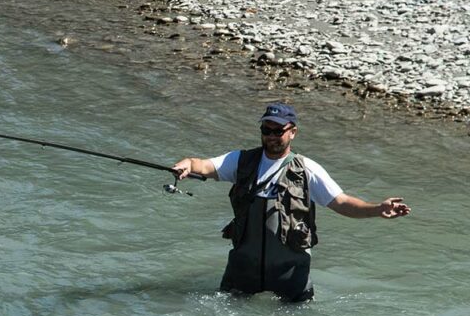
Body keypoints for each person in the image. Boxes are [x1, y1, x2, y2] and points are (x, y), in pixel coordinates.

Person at [172, 102, 410, 302]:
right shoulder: (241, 161)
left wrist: (378, 209)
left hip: (291, 276)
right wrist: (188, 164)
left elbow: (342, 202)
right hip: (243, 271)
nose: (272, 136)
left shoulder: (307, 170)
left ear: (293, 132)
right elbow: (203, 165)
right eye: (267, 130)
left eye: (278, 131)